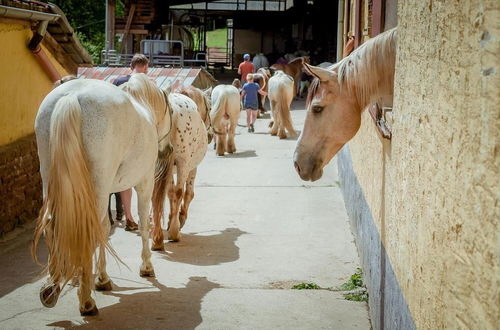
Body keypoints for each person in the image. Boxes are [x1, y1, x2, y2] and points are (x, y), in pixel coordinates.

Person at [111, 53, 150, 231]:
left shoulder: (117, 82)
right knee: (148, 176)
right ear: (145, 67)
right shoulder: (147, 84)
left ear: (131, 66)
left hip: (119, 134)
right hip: (142, 134)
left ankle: (129, 217)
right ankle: (146, 216)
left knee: (124, 178)